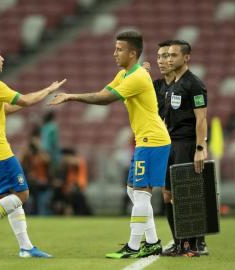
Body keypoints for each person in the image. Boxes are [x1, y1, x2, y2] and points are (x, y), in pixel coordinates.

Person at [49, 30, 171, 259]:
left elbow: (105, 99)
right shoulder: (125, 74)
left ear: (133, 53)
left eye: (119, 49)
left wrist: (71, 96)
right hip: (144, 140)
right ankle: (153, 242)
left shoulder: (136, 77)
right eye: (115, 48)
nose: (114, 53)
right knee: (132, 190)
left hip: (153, 140)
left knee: (141, 193)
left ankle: (134, 246)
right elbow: (102, 92)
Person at [0, 41, 66, 258]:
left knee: (14, 194)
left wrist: (31, 101)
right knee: (22, 194)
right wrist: (48, 90)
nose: (3, 58)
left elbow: (6, 108)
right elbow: (25, 100)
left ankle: (26, 247)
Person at [161, 40, 209, 257]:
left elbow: (201, 118)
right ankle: (179, 243)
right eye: (167, 55)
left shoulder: (194, 84)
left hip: (186, 144)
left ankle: (195, 244)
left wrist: (200, 147)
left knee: (186, 193)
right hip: (170, 144)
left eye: (174, 55)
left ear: (186, 58)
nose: (169, 59)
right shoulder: (172, 85)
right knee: (167, 194)